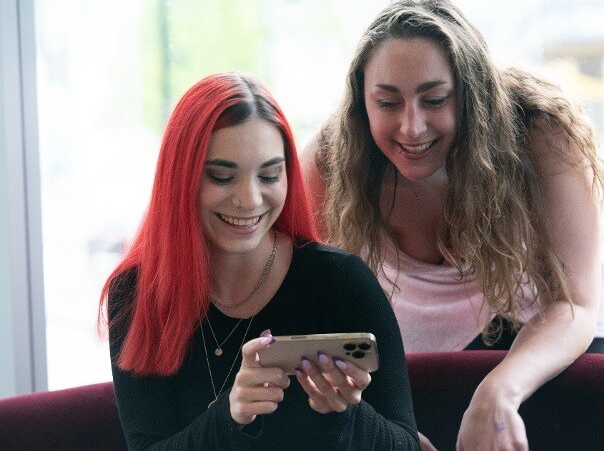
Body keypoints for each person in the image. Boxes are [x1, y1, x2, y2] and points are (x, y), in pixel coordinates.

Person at [301, 0, 604, 451]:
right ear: (361, 102)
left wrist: (499, 391)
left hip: (551, 321)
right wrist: (377, 424)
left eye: (434, 99)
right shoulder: (334, 160)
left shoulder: (542, 134)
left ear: (471, 95)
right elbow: (306, 314)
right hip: (417, 332)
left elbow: (574, 305)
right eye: (388, 103)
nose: (412, 128)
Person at [98, 72, 420, 450]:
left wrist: (347, 414)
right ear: (179, 178)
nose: (249, 200)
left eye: (269, 175)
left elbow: (406, 445)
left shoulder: (341, 282)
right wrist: (229, 415)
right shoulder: (136, 294)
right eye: (221, 176)